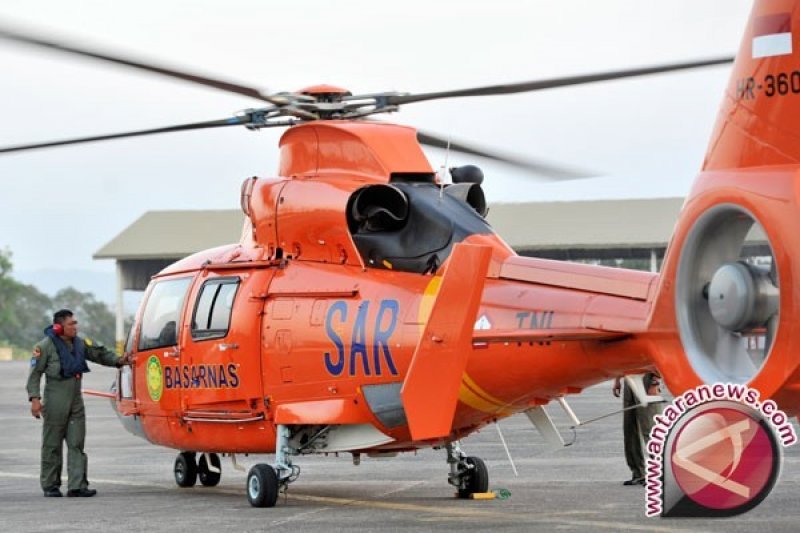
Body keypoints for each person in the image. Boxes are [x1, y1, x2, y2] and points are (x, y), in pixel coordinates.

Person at [26, 309, 130, 497]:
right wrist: (35, 399)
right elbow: (34, 375)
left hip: (75, 403)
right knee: (52, 445)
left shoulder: (80, 344)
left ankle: (77, 485)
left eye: (75, 323)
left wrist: (120, 360)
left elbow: (99, 354)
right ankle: (50, 485)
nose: (76, 326)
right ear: (59, 327)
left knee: (76, 444)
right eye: (71, 324)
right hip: (54, 402)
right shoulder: (45, 346)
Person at [612, 372, 663, 486]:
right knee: (630, 429)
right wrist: (617, 378)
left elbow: (658, 355)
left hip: (646, 378)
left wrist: (655, 382)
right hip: (628, 377)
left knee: (650, 429)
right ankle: (639, 473)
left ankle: (659, 474)